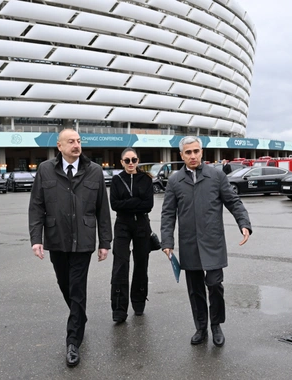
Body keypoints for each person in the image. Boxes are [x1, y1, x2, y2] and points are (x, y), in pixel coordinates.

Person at [28, 128, 112, 368]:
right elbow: (36, 206)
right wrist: (36, 238)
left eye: (78, 141)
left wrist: (105, 242)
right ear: (59, 146)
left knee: (77, 287)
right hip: (57, 238)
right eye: (71, 141)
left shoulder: (94, 171)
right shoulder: (45, 170)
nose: (76, 145)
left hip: (84, 240)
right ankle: (80, 316)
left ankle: (73, 341)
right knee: (64, 284)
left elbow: (102, 210)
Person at [160, 136, 252, 347]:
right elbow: (167, 214)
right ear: (181, 155)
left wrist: (244, 224)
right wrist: (167, 242)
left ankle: (216, 325)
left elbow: (233, 202)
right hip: (189, 244)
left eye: (196, 151)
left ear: (202, 152)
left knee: (215, 285)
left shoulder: (216, 176)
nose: (193, 156)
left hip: (213, 242)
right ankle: (201, 327)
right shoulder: (174, 181)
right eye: (188, 152)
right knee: (195, 290)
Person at [109, 148, 155, 323]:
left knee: (141, 263)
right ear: (121, 162)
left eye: (133, 160)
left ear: (138, 161)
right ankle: (119, 309)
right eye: (127, 160)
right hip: (122, 224)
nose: (130, 163)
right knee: (120, 264)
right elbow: (114, 204)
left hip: (142, 224)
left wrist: (127, 203)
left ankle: (139, 301)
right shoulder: (116, 180)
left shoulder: (146, 179)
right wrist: (137, 202)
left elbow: (148, 205)